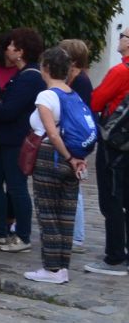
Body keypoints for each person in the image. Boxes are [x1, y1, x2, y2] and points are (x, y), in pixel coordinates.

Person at [28, 46, 95, 285]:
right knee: (66, 216)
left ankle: (52, 268)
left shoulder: (46, 96)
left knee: (48, 213)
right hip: (74, 158)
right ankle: (63, 268)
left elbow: (53, 134)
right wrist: (76, 157)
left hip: (52, 157)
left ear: (46, 67)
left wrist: (67, 157)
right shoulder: (72, 94)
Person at [0, 27, 45, 252]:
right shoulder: (23, 75)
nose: (7, 47)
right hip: (5, 139)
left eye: (12, 45)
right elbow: (11, 104)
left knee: (17, 187)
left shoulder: (29, 77)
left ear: (20, 51)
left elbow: (9, 112)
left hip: (16, 140)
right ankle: (0, 231)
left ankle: (23, 236)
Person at [88, 26, 129, 277]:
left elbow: (95, 101)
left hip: (114, 143)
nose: (120, 38)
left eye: (123, 35)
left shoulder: (120, 71)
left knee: (111, 198)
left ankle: (114, 257)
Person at [59, 38, 93, 251]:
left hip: (75, 140)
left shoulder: (80, 82)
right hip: (70, 138)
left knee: (74, 187)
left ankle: (77, 236)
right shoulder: (73, 79)